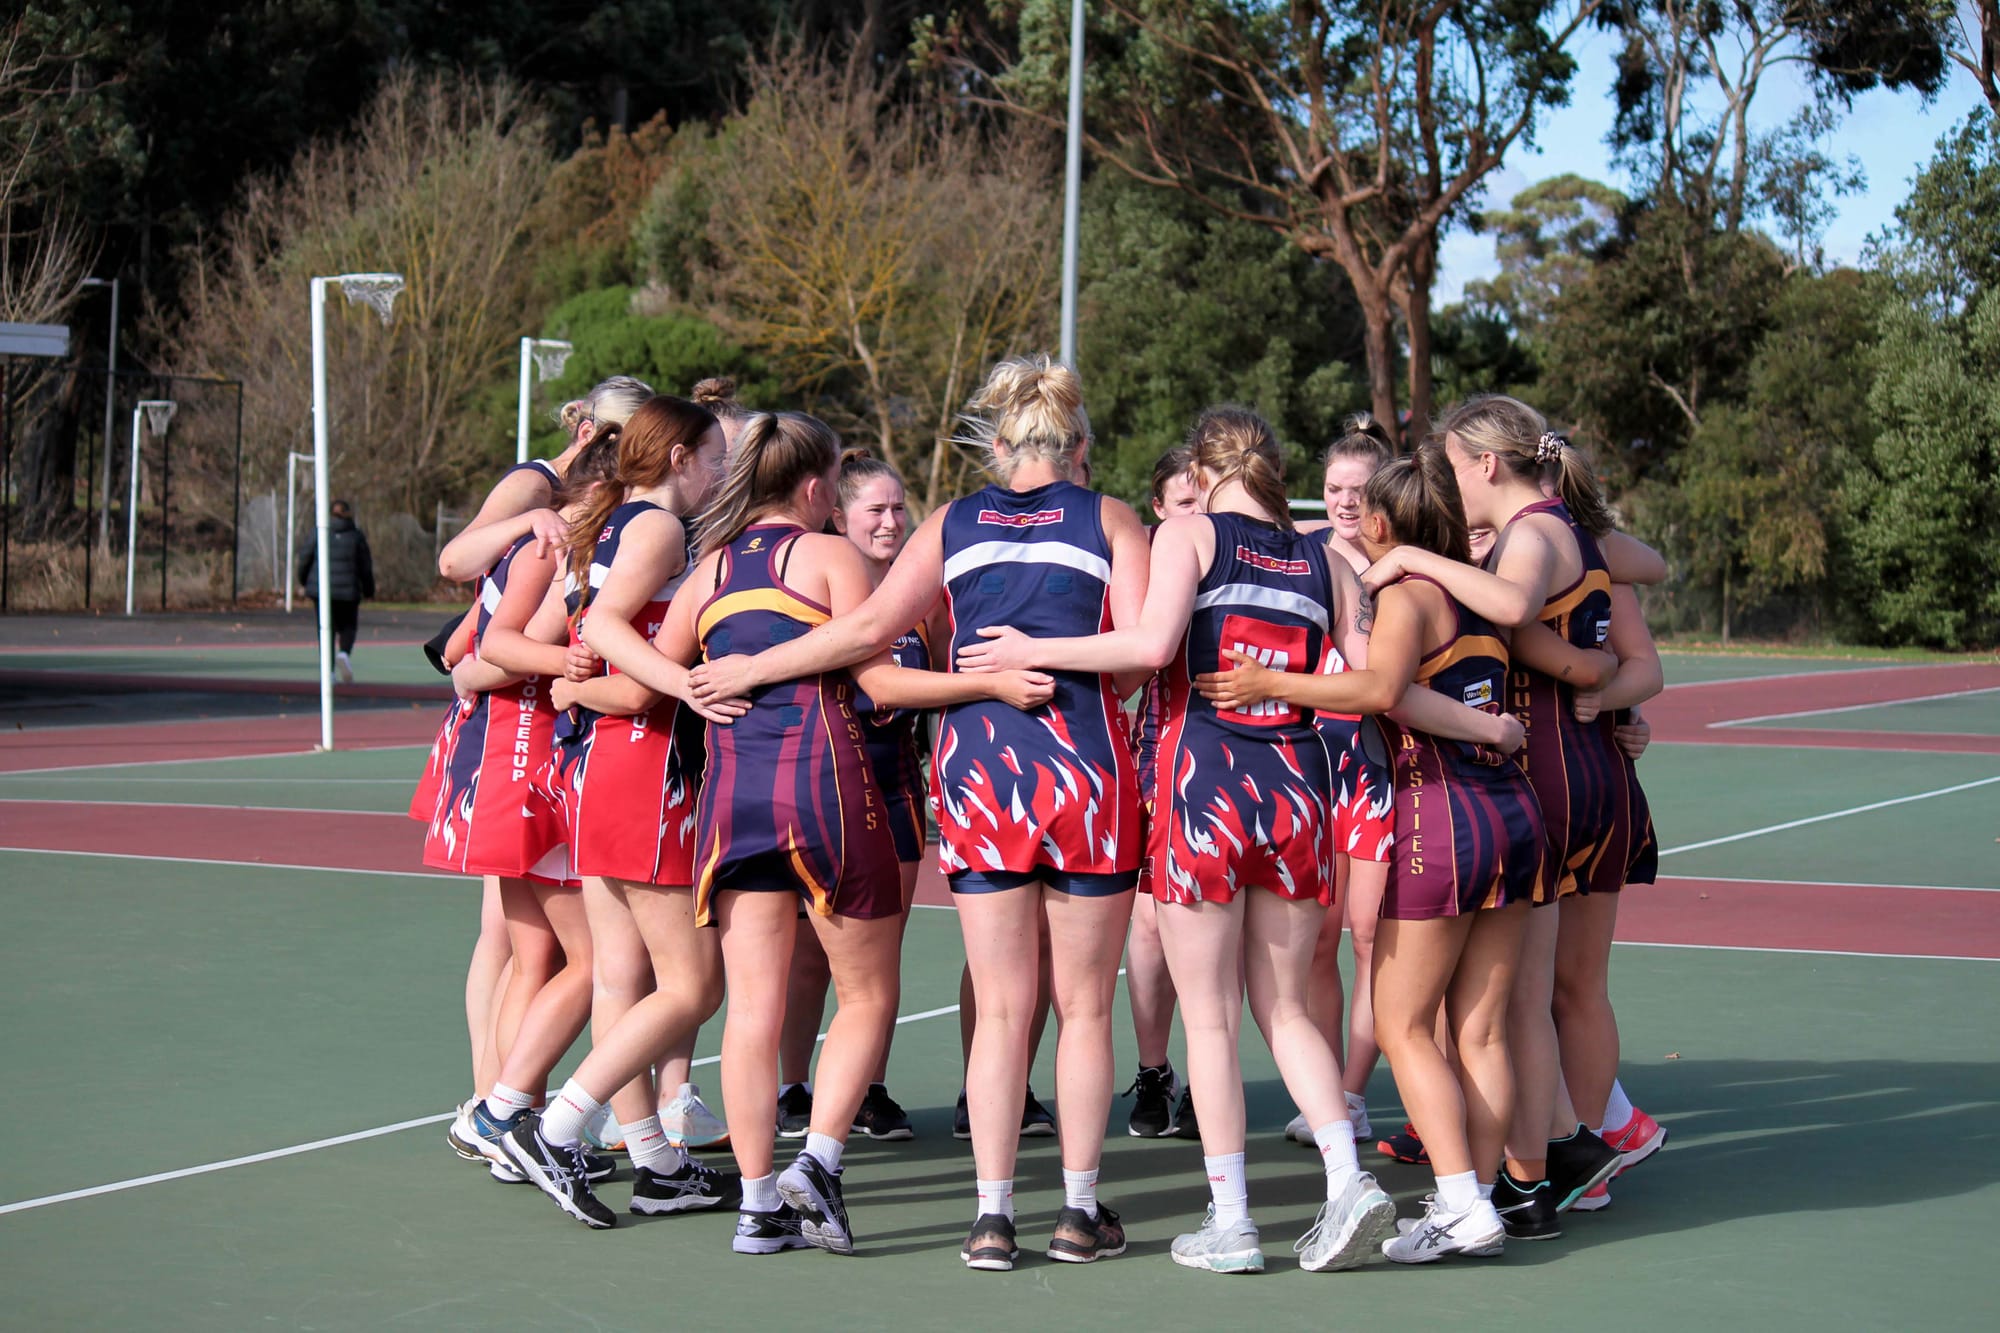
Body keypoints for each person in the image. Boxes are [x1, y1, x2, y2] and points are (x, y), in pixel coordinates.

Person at [686, 356, 1142, 1272]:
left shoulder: (951, 523)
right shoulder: (1112, 519)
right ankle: (1077, 1210)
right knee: (1085, 1007)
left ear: (999, 444)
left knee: (1001, 1005)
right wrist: (1053, 660)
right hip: (1086, 768)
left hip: (980, 775)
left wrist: (751, 667)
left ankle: (990, 1218)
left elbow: (867, 639)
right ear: (1078, 443)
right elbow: (1136, 660)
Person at [959, 406, 1399, 1274]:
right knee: (1286, 1007)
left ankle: (1233, 1220)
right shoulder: (1326, 559)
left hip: (1205, 783)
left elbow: (1153, 643)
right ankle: (1348, 1177)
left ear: (1200, 471)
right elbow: (1373, 684)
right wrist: (1285, 682)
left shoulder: (1189, 535)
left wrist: (1034, 645)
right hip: (1298, 785)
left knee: (1210, 1016)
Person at [616, 410, 1057, 1258]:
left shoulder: (709, 569)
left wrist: (689, 684)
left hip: (732, 796)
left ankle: (756, 1207)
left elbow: (619, 644)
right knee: (867, 994)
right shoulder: (831, 557)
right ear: (819, 488)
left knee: (752, 1007)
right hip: (825, 787)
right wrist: (990, 685)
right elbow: (880, 678)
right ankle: (818, 1160)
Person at [1202, 442, 1541, 1264]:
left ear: (1383, 523)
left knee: (1401, 1021)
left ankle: (1462, 1202)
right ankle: (1476, 1197)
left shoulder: (1409, 598)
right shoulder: (1478, 598)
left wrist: (1271, 684)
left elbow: (1379, 690)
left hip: (1442, 814)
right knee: (1481, 1031)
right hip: (1512, 810)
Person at [1361, 396, 1632, 1235]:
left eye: (1451, 463)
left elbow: (1510, 614)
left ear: (1485, 465)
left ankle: (1523, 1171)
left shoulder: (1521, 541)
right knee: (1529, 1002)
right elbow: (1640, 568)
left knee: (1487, 1010)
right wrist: (1600, 677)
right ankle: (1543, 1166)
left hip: (1515, 780)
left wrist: (1414, 557)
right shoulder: (1565, 530)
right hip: (1570, 770)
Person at [1123, 446, 1205, 1140]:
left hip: (1238, 758)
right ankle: (1154, 1071)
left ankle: (1210, 1077)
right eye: (1185, 502)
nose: (1198, 512)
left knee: (1224, 928)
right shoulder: (1146, 557)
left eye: (1207, 498)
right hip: (1158, 756)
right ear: (1158, 509)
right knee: (1149, 924)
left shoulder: (1242, 551)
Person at [298, 499, 374, 684]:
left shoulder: (318, 532)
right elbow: (365, 565)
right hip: (348, 590)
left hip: (322, 590)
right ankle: (344, 653)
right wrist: (368, 589)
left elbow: (305, 557)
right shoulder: (355, 535)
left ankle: (329, 671)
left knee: (326, 629)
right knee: (348, 626)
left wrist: (304, 580)